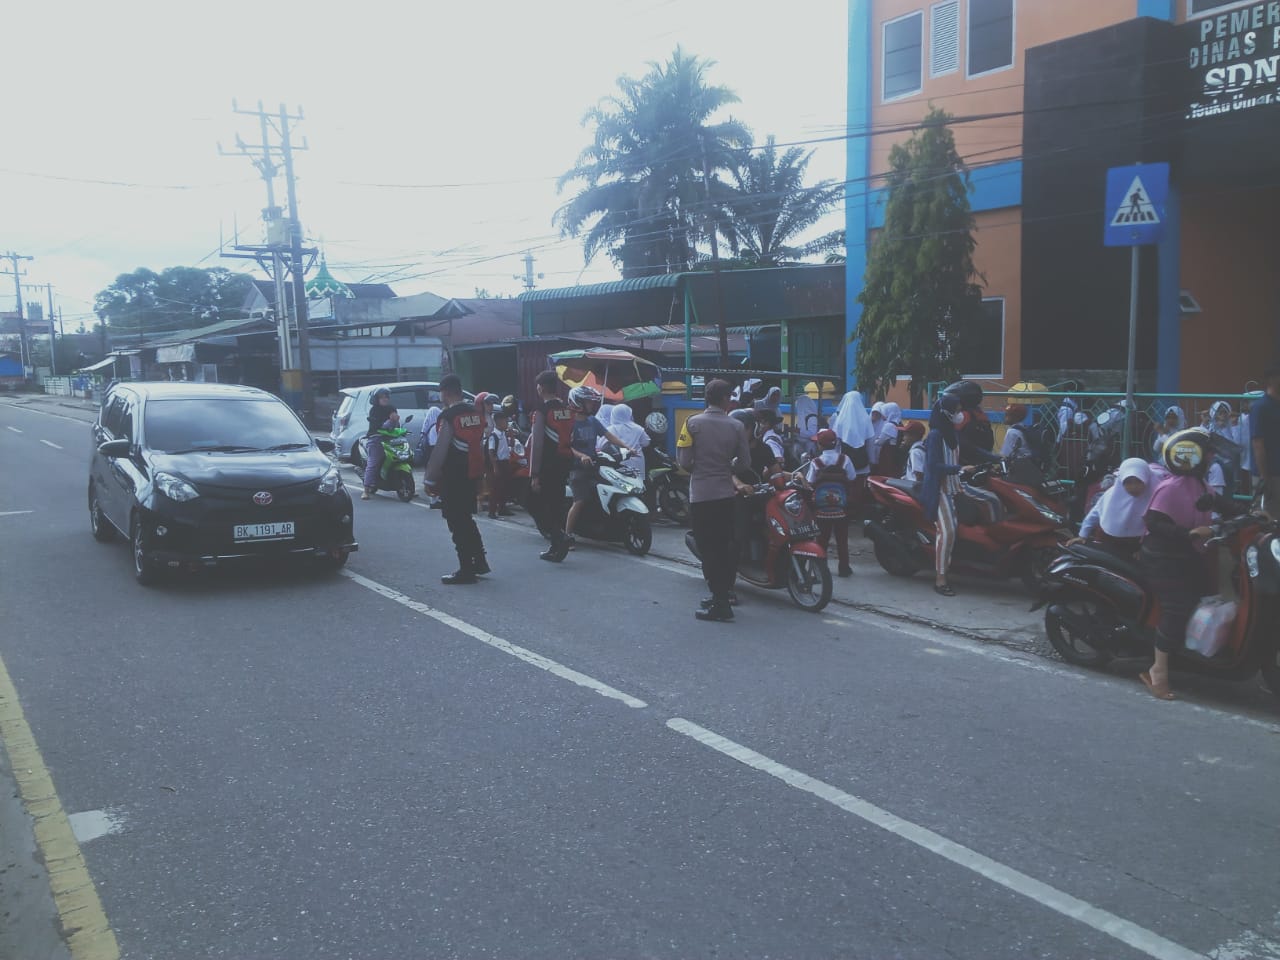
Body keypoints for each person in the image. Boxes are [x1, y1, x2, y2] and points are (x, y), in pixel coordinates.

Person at [1138, 429, 1223, 700]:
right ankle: (1157, 671)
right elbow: (1152, 523)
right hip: (1162, 556)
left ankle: (1182, 654)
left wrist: (1253, 514)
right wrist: (1187, 534)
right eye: (1207, 452)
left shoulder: (1202, 486)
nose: (1212, 457)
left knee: (1207, 594)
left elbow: (1221, 504)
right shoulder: (1171, 487)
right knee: (1178, 607)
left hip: (1187, 555)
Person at [677, 379, 752, 623]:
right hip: (725, 494)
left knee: (707, 550)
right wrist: (725, 466)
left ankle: (720, 602)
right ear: (725, 399)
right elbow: (744, 464)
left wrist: (702, 467)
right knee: (724, 546)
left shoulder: (692, 423)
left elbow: (684, 462)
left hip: (701, 494)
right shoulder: (737, 426)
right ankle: (721, 594)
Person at [424, 375, 489, 584]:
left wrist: (430, 479)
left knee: (456, 523)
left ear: (446, 392)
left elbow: (440, 450)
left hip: (453, 478)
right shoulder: (476, 414)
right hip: (473, 474)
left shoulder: (448, 416)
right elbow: (479, 444)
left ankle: (466, 569)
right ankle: (480, 561)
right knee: (467, 520)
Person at [919, 394, 977, 597]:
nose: (959, 414)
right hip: (940, 490)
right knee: (948, 531)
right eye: (956, 410)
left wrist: (996, 457)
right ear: (946, 412)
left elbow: (971, 449)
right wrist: (960, 468)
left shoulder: (951, 433)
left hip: (955, 487)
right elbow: (934, 466)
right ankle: (940, 578)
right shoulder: (936, 434)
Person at [564, 385, 631, 546]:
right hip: (577, 469)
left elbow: (610, 437)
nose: (591, 405)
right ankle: (567, 536)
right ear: (578, 403)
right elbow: (567, 446)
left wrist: (628, 448)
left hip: (595, 465)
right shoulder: (570, 423)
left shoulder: (593, 421)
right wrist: (582, 456)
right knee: (579, 501)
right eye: (588, 402)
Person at [528, 370, 577, 562]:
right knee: (556, 504)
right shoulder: (567, 410)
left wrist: (534, 474)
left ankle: (560, 538)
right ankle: (556, 547)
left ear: (540, 388)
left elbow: (537, 443)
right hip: (565, 461)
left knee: (538, 504)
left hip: (547, 464)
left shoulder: (542, 411)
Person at [1074, 458, 1154, 557]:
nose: (1134, 487)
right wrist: (1083, 535)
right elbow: (1095, 513)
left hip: (1140, 547)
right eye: (1128, 482)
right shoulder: (1112, 495)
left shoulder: (1155, 497)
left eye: (1138, 481)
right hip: (1110, 543)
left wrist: (1145, 551)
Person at [806, 428, 856, 577]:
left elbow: (809, 482)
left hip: (821, 509)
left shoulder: (816, 462)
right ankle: (844, 568)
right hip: (841, 508)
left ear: (820, 445)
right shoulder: (844, 459)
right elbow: (852, 478)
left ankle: (821, 568)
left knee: (821, 539)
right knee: (842, 539)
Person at [1250, 364, 1280, 517]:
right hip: (1269, 474)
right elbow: (1258, 444)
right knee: (1267, 520)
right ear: (1272, 380)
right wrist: (1264, 476)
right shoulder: (1261, 407)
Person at [362, 387, 400, 499]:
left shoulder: (392, 408)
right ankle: (365, 490)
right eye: (382, 397)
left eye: (386, 397)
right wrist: (390, 421)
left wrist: (396, 421)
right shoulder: (374, 410)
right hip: (376, 439)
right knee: (373, 463)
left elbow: (396, 425)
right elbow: (379, 425)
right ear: (376, 399)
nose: (385, 399)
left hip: (390, 439)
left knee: (400, 457)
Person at [608, 403, 650, 479]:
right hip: (636, 462)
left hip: (618, 462)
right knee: (639, 485)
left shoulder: (610, 430)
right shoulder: (638, 428)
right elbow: (646, 442)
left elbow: (600, 445)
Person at [486, 408, 514, 518]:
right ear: (498, 422)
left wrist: (511, 435)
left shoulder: (503, 434)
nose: (507, 424)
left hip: (506, 462)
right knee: (495, 488)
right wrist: (495, 467)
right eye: (505, 422)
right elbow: (491, 452)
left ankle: (503, 508)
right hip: (498, 464)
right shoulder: (494, 436)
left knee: (504, 487)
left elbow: (511, 444)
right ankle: (492, 511)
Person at [753, 409, 786, 478]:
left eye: (760, 423)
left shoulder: (770, 441)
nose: (758, 427)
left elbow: (779, 460)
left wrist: (764, 474)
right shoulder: (772, 436)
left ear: (766, 424)